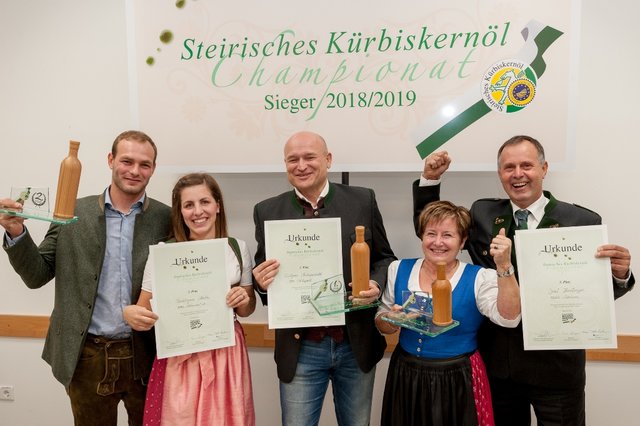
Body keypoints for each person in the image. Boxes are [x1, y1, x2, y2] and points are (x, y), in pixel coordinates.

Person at [413, 135, 635, 425]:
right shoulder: (483, 213)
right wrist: (429, 181)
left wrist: (620, 276)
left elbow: (590, 294)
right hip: (499, 367)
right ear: (500, 174)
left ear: (544, 169)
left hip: (558, 368)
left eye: (526, 165)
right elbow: (433, 229)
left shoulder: (581, 220)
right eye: (509, 167)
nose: (518, 174)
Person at [0, 130, 171, 425]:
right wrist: (16, 232)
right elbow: (36, 275)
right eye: (127, 160)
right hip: (87, 357)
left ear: (153, 169)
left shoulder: (166, 218)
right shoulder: (71, 212)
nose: (134, 171)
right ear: (110, 160)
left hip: (148, 356)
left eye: (145, 164)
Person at [252, 131, 396, 426]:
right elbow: (262, 274)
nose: (301, 165)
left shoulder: (362, 200)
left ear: (328, 160)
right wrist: (260, 282)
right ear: (285, 165)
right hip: (301, 348)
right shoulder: (267, 210)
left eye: (309, 157)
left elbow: (384, 258)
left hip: (354, 344)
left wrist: (376, 284)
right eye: (293, 159)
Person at [123, 173, 256, 426]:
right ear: (180, 212)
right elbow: (143, 310)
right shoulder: (163, 253)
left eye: (205, 202)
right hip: (180, 354)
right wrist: (131, 315)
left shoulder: (237, 248)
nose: (198, 211)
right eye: (189, 205)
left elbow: (247, 308)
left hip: (226, 351)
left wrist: (242, 299)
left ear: (218, 205)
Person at [376, 200, 521, 425]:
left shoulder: (480, 277)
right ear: (422, 237)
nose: (438, 242)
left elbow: (510, 319)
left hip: (459, 378)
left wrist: (504, 267)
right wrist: (390, 320)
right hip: (406, 374)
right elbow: (382, 322)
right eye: (431, 233)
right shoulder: (399, 269)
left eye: (448, 235)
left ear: (462, 241)